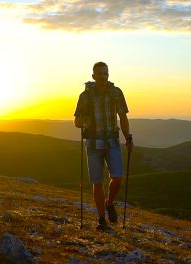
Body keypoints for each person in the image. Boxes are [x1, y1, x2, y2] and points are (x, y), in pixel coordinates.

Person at [74, 61, 133, 231]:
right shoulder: (85, 96)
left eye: (106, 73)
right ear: (93, 76)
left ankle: (109, 203)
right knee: (97, 181)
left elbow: (122, 117)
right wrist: (83, 122)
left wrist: (127, 137)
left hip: (112, 140)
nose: (103, 77)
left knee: (118, 177)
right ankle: (101, 219)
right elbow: (76, 121)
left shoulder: (116, 92)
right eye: (100, 74)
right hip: (93, 143)